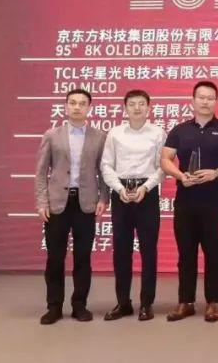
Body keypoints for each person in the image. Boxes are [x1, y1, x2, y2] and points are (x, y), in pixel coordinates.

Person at [161, 81, 218, 323]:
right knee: (185, 252)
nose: (205, 102)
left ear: (216, 102)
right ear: (193, 101)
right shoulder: (179, 130)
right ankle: (185, 302)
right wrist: (180, 176)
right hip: (186, 199)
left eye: (210, 98)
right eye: (201, 97)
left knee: (213, 252)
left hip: (214, 201)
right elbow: (165, 159)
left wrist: (216, 173)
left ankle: (212, 303)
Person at [34, 89, 109, 325]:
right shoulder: (52, 135)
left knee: (83, 258)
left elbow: (103, 171)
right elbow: (41, 172)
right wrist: (42, 202)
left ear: (89, 108)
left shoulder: (99, 137)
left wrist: (103, 198)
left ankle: (79, 305)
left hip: (85, 204)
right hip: (57, 204)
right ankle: (54, 306)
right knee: (55, 258)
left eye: (82, 103)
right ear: (66, 107)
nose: (77, 107)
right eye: (73, 103)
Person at [99, 89, 166, 322]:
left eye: (141, 104)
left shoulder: (158, 133)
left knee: (148, 251)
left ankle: (146, 303)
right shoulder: (115, 133)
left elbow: (163, 166)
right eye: (132, 104)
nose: (137, 108)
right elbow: (106, 165)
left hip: (147, 193)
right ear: (125, 108)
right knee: (121, 251)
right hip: (121, 194)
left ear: (149, 108)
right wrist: (119, 189)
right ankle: (123, 303)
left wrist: (145, 187)